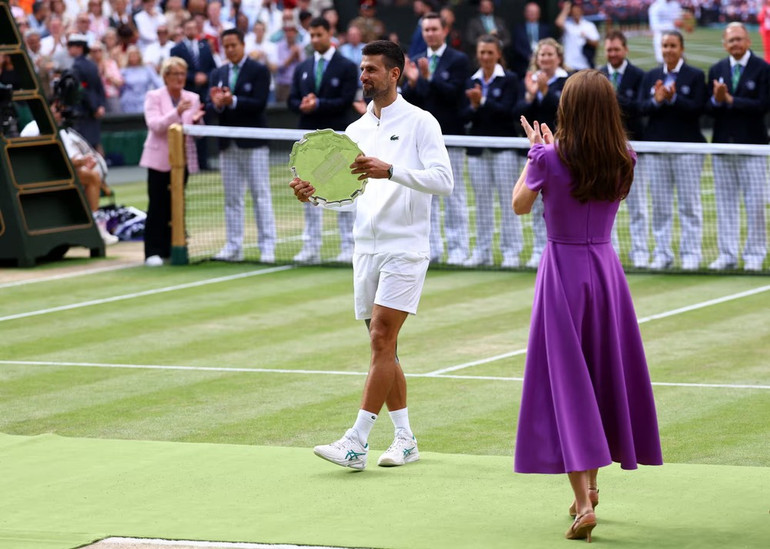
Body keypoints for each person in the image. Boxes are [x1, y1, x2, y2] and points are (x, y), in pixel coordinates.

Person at [512, 69, 662, 543]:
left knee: (568, 386)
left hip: (562, 273)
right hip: (605, 271)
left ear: (568, 109)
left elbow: (520, 204)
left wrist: (533, 155)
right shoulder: (624, 157)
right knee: (599, 376)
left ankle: (582, 504)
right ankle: (592, 488)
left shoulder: (549, 158)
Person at [290, 40, 453, 470]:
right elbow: (349, 197)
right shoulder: (354, 132)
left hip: (406, 248)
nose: (364, 76)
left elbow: (443, 180)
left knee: (382, 338)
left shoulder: (422, 123)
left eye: (372, 70)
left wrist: (392, 170)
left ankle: (356, 441)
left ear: (394, 74)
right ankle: (405, 438)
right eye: (362, 69)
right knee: (386, 347)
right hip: (366, 250)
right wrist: (315, 197)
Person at [402, 11, 471, 266]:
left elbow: (454, 95)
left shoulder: (459, 60)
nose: (430, 33)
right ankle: (432, 249)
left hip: (451, 135)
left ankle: (460, 249)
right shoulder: (417, 60)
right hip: (421, 140)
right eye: (426, 29)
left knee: (454, 196)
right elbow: (413, 101)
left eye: (434, 29)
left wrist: (427, 79)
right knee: (424, 196)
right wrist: (412, 82)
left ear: (444, 31)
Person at [288, 16, 358, 264]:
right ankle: (311, 247)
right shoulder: (302, 67)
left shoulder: (348, 67)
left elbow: (346, 100)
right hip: (309, 145)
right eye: (312, 35)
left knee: (341, 190)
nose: (315, 39)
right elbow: (291, 101)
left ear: (330, 34)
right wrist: (303, 105)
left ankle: (348, 247)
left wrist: (319, 104)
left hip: (338, 141)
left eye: (319, 34)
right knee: (307, 193)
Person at [206, 28, 276, 264]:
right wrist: (217, 104)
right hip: (228, 144)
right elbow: (210, 108)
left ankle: (268, 247)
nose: (230, 49)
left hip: (253, 143)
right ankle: (234, 246)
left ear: (243, 45)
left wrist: (233, 100)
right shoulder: (217, 73)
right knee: (232, 198)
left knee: (260, 195)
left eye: (234, 45)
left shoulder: (258, 70)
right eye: (226, 46)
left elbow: (259, 103)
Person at [639, 30, 706, 270]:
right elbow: (642, 108)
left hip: (687, 149)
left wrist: (674, 98)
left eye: (672, 45)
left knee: (689, 205)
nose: (668, 50)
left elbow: (699, 108)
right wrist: (657, 100)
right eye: (665, 45)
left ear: (681, 48)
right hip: (657, 149)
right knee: (660, 205)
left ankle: (691, 255)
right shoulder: (651, 76)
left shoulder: (695, 75)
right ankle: (662, 254)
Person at [706, 23, 769, 272]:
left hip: (753, 147)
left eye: (739, 39)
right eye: (730, 40)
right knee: (725, 204)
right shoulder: (717, 69)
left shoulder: (763, 69)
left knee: (755, 205)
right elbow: (708, 109)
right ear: (724, 44)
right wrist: (716, 100)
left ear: (748, 41)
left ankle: (754, 255)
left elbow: (763, 105)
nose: (735, 44)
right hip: (723, 147)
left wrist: (730, 100)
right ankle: (727, 254)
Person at [20, 98, 118, 246]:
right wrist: (80, 162)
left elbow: (69, 158)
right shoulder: (33, 129)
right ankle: (94, 226)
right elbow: (55, 160)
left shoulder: (61, 129)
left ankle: (93, 224)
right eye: (56, 109)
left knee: (91, 175)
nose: (60, 114)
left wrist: (84, 162)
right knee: (90, 176)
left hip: (57, 173)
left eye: (62, 110)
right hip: (37, 176)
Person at [462, 34, 523, 268]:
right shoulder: (470, 81)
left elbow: (510, 112)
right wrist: (475, 106)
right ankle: (482, 251)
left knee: (510, 202)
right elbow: (464, 115)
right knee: (482, 203)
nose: (485, 57)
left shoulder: (510, 79)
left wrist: (483, 102)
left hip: (504, 149)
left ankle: (512, 252)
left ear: (498, 54)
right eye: (482, 53)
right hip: (478, 150)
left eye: (490, 52)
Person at [139, 56, 205, 267]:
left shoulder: (193, 97)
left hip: (182, 160)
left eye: (182, 74)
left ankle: (173, 246)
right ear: (165, 76)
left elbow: (198, 133)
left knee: (176, 205)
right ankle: (153, 251)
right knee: (157, 204)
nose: (179, 78)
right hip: (158, 159)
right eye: (174, 74)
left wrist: (197, 121)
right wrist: (176, 112)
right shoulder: (154, 96)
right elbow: (155, 125)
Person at [515, 37, 570, 269]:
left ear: (558, 58)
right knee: (534, 202)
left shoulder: (567, 82)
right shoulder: (528, 81)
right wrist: (530, 95)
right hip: (536, 151)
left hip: (561, 151)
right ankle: (541, 250)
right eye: (542, 55)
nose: (546, 59)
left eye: (550, 55)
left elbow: (561, 110)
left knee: (558, 203)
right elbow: (518, 112)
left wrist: (546, 91)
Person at [601, 30, 649, 269]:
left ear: (625, 49)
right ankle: (612, 253)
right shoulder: (597, 75)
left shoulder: (639, 75)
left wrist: (611, 98)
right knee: (605, 203)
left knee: (638, 204)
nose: (612, 54)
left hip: (632, 148)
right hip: (602, 150)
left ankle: (640, 252)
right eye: (609, 50)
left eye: (616, 49)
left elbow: (640, 107)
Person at [170, 17, 218, 170]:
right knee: (185, 130)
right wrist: (193, 77)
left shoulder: (205, 46)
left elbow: (213, 68)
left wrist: (205, 77)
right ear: (184, 30)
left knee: (202, 129)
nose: (191, 30)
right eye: (188, 28)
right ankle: (185, 164)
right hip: (185, 95)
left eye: (193, 27)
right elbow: (175, 71)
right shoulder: (176, 49)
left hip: (204, 95)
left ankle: (203, 162)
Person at [68, 33, 106, 151]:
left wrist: (94, 108)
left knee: (86, 148)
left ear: (79, 48)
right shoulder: (91, 65)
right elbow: (99, 88)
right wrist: (100, 106)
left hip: (84, 113)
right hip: (93, 111)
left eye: (71, 46)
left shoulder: (77, 66)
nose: (69, 49)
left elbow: (83, 89)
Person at [510, 1, 554, 80]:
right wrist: (529, 56)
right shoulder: (518, 28)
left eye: (534, 12)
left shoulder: (545, 29)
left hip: (542, 65)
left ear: (539, 14)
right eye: (530, 12)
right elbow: (516, 46)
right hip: (523, 66)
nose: (532, 14)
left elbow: (549, 44)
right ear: (525, 13)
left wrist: (539, 56)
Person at [464, 0, 511, 68]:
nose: (486, 7)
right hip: (480, 58)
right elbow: (470, 39)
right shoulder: (473, 22)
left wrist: (499, 44)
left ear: (492, 7)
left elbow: (507, 39)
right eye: (483, 6)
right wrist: (485, 41)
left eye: (488, 6)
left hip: (499, 58)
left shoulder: (500, 21)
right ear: (480, 8)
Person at [555, 1, 600, 70]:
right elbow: (559, 22)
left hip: (585, 65)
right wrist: (566, 8)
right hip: (570, 65)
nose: (576, 13)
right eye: (574, 12)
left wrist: (586, 38)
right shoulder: (568, 25)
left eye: (578, 11)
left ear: (581, 11)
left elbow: (596, 43)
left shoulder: (589, 26)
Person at [119, 45, 163, 113]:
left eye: (135, 55)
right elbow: (120, 88)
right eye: (131, 55)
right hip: (128, 102)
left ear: (139, 55)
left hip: (144, 100)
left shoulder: (147, 69)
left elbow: (157, 83)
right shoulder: (123, 71)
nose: (133, 57)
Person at [648, 0, 682, 64]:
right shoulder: (655, 6)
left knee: (679, 65)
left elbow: (679, 21)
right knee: (663, 64)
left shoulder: (676, 5)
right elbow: (654, 26)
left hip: (676, 39)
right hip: (662, 39)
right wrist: (673, 24)